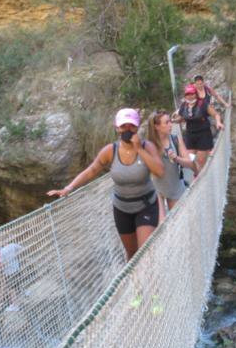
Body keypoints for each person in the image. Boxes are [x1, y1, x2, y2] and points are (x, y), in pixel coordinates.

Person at [47, 108, 164, 260]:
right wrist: (69, 188)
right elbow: (92, 170)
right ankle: (135, 276)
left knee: (144, 254)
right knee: (131, 254)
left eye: (131, 126)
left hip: (146, 206)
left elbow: (159, 171)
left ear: (137, 126)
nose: (127, 129)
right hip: (122, 209)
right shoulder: (110, 151)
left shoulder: (147, 147)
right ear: (117, 128)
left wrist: (139, 149)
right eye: (123, 126)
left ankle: (149, 275)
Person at [146, 110, 197, 222]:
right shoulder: (149, 146)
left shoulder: (175, 139)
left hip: (174, 187)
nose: (171, 124)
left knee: (177, 222)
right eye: (167, 122)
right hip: (157, 189)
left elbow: (189, 163)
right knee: (162, 225)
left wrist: (176, 158)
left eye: (170, 121)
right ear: (156, 127)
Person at [173, 84, 223, 173]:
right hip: (190, 136)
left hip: (203, 135)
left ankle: (201, 176)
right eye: (187, 94)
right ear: (185, 96)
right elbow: (182, 118)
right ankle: (198, 174)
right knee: (190, 160)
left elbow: (216, 114)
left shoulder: (203, 104)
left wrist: (218, 122)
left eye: (192, 94)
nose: (190, 96)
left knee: (200, 161)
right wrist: (174, 121)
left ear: (196, 94)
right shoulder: (184, 105)